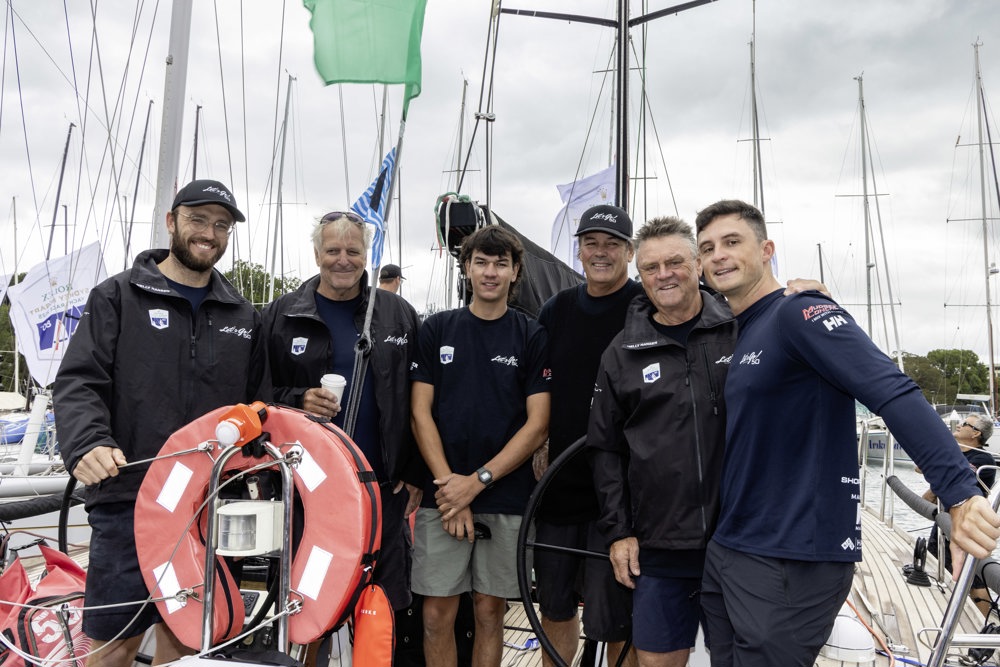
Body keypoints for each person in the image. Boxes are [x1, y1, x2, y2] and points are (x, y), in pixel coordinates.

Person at [694, 199, 1000, 667]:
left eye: (732, 242)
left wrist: (958, 493)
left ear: (767, 249)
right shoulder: (743, 329)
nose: (718, 255)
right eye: (708, 248)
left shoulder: (798, 313)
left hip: (791, 558)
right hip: (732, 547)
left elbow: (891, 389)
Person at [54, 179, 271, 667]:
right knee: (115, 646)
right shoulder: (117, 297)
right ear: (172, 222)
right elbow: (78, 381)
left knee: (191, 641)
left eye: (221, 225)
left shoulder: (244, 315)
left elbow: (261, 405)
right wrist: (87, 443)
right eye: (198, 219)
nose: (208, 233)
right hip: (129, 500)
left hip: (209, 503)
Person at [587, 216, 733, 667]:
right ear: (641, 275)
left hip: (738, 540)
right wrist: (619, 532)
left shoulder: (741, 328)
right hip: (659, 545)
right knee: (655, 662)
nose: (664, 274)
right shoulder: (621, 352)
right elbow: (605, 449)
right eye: (651, 267)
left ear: (698, 264)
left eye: (675, 262)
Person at [261, 210, 422, 613]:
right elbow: (256, 395)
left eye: (353, 250)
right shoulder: (280, 315)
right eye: (332, 250)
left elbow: (421, 398)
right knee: (307, 602)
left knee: (380, 604)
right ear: (317, 254)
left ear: (366, 254)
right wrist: (298, 399)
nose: (343, 259)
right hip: (305, 489)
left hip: (383, 487)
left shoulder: (397, 314)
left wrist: (416, 470)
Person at [410, 225, 550, 667]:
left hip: (505, 493)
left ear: (515, 272)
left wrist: (478, 482)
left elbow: (538, 424)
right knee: (436, 613)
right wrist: (454, 489)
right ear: (467, 268)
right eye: (481, 262)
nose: (490, 272)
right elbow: (420, 413)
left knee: (490, 611)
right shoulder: (436, 329)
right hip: (442, 494)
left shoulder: (531, 335)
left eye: (501, 264)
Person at [534, 204, 641, 667]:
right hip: (560, 486)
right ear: (577, 250)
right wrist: (539, 443)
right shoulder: (555, 310)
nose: (601, 252)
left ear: (630, 252)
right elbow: (536, 386)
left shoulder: (646, 306)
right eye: (591, 243)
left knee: (615, 620)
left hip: (621, 493)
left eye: (612, 243)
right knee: (555, 609)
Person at [921, 414, 997, 616]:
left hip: (967, 523)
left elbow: (954, 479)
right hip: (947, 518)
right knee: (936, 555)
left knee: (973, 576)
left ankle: (988, 621)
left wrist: (930, 493)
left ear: (975, 433)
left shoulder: (982, 459)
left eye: (964, 424)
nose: (959, 425)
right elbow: (920, 468)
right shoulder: (955, 453)